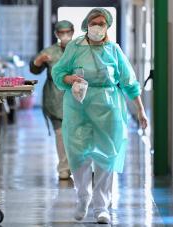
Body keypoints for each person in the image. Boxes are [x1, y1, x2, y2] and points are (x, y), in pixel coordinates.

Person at [52, 8, 148, 224]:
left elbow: (129, 82)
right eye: (94, 23)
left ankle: (101, 206)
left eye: (102, 23)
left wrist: (140, 110)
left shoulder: (113, 50)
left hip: (108, 108)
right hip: (79, 107)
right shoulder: (75, 47)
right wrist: (69, 79)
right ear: (87, 25)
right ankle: (83, 198)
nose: (97, 27)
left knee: (106, 157)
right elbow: (58, 72)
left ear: (107, 27)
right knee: (79, 154)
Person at [29, 20, 74, 180]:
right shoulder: (49, 52)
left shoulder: (79, 49)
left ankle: (78, 166)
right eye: (61, 32)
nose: (65, 35)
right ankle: (64, 167)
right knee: (60, 134)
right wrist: (38, 62)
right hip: (54, 98)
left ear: (73, 32)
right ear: (56, 34)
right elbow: (34, 69)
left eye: (68, 32)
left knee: (77, 135)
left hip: (76, 97)